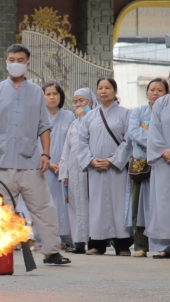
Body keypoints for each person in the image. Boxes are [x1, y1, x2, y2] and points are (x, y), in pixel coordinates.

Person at [0, 44, 70, 265]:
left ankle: (52, 251)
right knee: (0, 211)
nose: (15, 63)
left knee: (44, 208)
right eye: (12, 59)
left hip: (31, 162)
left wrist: (45, 154)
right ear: (6, 62)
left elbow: (44, 126)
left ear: (28, 63)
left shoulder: (36, 92)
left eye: (20, 59)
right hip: (2, 163)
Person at [78, 77, 133, 256]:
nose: (103, 91)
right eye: (100, 88)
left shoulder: (126, 114)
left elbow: (128, 141)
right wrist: (91, 160)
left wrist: (113, 160)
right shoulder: (90, 117)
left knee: (118, 204)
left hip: (116, 168)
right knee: (97, 205)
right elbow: (82, 142)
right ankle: (97, 244)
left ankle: (122, 244)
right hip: (95, 168)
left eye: (107, 88)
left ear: (115, 91)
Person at [145, 65, 170, 259]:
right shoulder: (160, 104)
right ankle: (163, 245)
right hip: (163, 163)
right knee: (163, 203)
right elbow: (154, 132)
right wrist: (167, 154)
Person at [126, 78, 168, 258]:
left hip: (162, 163)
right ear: (147, 93)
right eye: (152, 90)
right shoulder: (138, 112)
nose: (155, 93)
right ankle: (140, 245)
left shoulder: (169, 112)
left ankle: (164, 245)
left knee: (162, 205)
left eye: (160, 90)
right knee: (139, 205)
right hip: (141, 165)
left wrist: (155, 143)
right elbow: (134, 132)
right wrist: (157, 142)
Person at [59, 87, 97, 254]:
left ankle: (93, 242)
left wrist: (86, 118)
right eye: (75, 102)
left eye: (82, 101)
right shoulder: (74, 124)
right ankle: (78, 243)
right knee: (75, 207)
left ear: (90, 102)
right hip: (74, 173)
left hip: (89, 171)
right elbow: (66, 150)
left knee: (90, 207)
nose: (78, 104)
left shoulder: (96, 121)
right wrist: (64, 173)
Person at [41, 81, 75, 251]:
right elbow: (34, 143)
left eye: (55, 94)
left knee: (64, 204)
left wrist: (64, 164)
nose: (51, 97)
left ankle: (67, 239)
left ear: (61, 96)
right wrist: (48, 162)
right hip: (44, 168)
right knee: (45, 203)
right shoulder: (37, 117)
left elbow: (73, 143)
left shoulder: (69, 117)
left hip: (65, 169)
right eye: (48, 94)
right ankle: (43, 240)